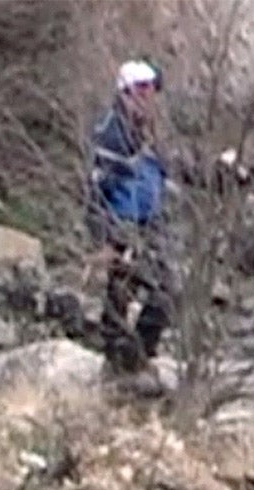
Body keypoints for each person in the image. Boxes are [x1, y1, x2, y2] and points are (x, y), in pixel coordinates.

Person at [87, 60, 171, 373]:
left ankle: (138, 357)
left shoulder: (150, 131)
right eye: (141, 89)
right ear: (125, 92)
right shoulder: (111, 133)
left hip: (151, 222)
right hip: (122, 225)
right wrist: (105, 239)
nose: (148, 97)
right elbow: (95, 189)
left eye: (151, 90)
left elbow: (172, 170)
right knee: (120, 295)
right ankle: (119, 365)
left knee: (167, 291)